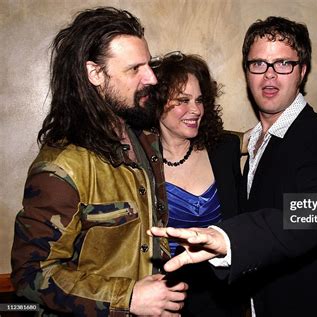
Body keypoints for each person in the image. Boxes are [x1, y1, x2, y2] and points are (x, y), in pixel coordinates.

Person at [150, 16, 317, 316]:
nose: (270, 76)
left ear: (302, 71)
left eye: (283, 64)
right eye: (259, 64)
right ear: (247, 71)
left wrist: (226, 238)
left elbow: (313, 217)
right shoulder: (254, 140)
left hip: (313, 303)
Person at [10, 7, 187, 316]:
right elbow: (31, 274)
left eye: (150, 64)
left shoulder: (146, 139)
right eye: (135, 69)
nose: (152, 77)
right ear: (94, 73)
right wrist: (127, 297)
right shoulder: (63, 166)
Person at [149, 52, 246, 316]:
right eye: (183, 100)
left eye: (200, 100)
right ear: (157, 103)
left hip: (224, 298)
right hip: (165, 298)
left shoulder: (224, 151)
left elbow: (241, 222)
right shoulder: (139, 164)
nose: (196, 110)